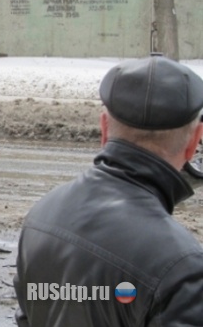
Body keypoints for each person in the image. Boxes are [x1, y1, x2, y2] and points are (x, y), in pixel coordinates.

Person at [13, 56, 203, 326]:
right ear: (194, 142)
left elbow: (26, 317)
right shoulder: (183, 267)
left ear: (104, 129)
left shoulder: (42, 215)